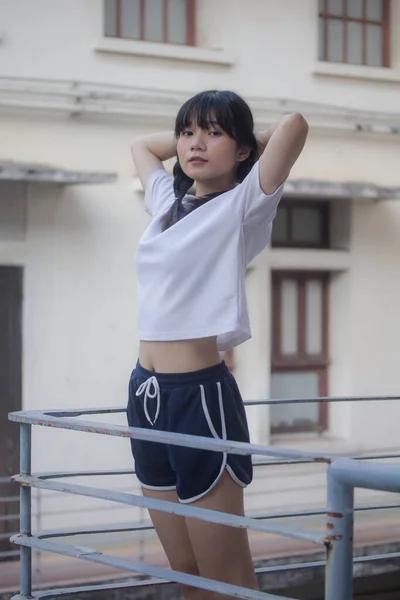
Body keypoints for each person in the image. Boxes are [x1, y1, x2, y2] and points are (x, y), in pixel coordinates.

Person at [128, 90, 308, 599]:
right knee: (184, 567)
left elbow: (294, 125)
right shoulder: (168, 203)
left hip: (199, 398)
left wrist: (245, 135)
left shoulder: (244, 206)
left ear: (244, 149)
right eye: (187, 133)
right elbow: (142, 145)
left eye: (212, 132)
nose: (194, 144)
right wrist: (204, 129)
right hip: (145, 395)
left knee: (225, 574)